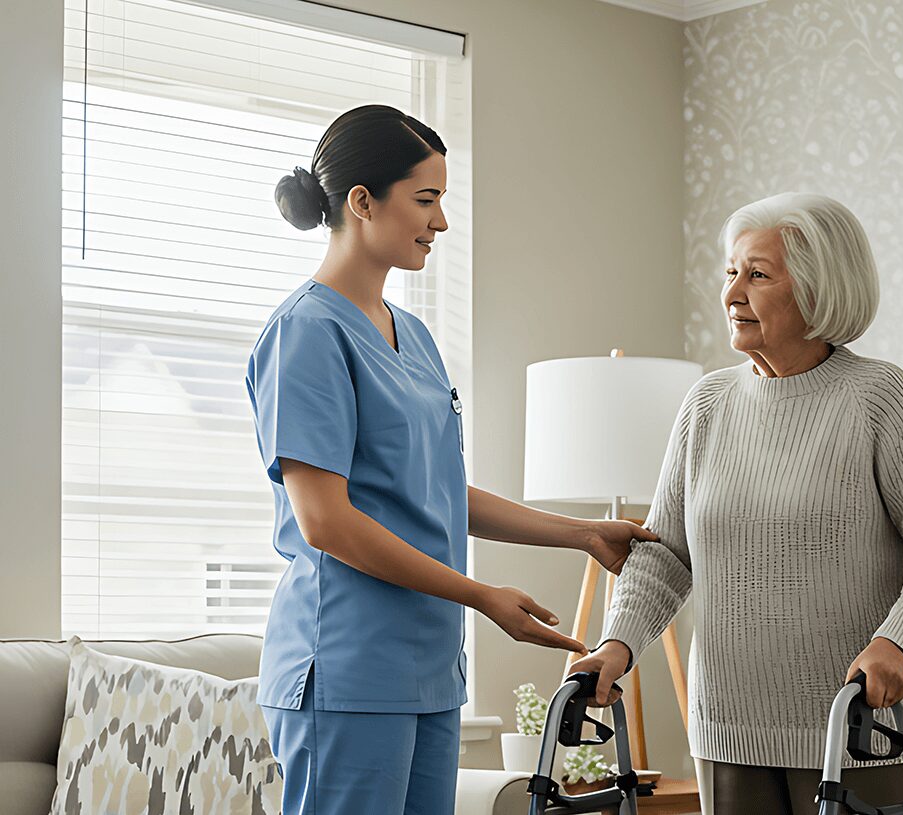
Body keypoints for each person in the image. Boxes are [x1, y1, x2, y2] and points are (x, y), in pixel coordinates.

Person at [244, 104, 657, 815]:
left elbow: (435, 490)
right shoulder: (306, 333)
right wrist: (482, 597)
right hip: (345, 667)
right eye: (426, 200)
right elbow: (326, 523)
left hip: (429, 670)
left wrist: (581, 533)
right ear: (362, 202)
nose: (440, 223)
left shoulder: (417, 336)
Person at [570, 193, 903, 815]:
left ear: (818, 290)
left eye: (758, 275)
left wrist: (900, 641)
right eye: (730, 273)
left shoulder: (877, 396)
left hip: (860, 726)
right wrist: (616, 646)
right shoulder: (706, 405)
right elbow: (665, 554)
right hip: (728, 727)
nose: (733, 292)